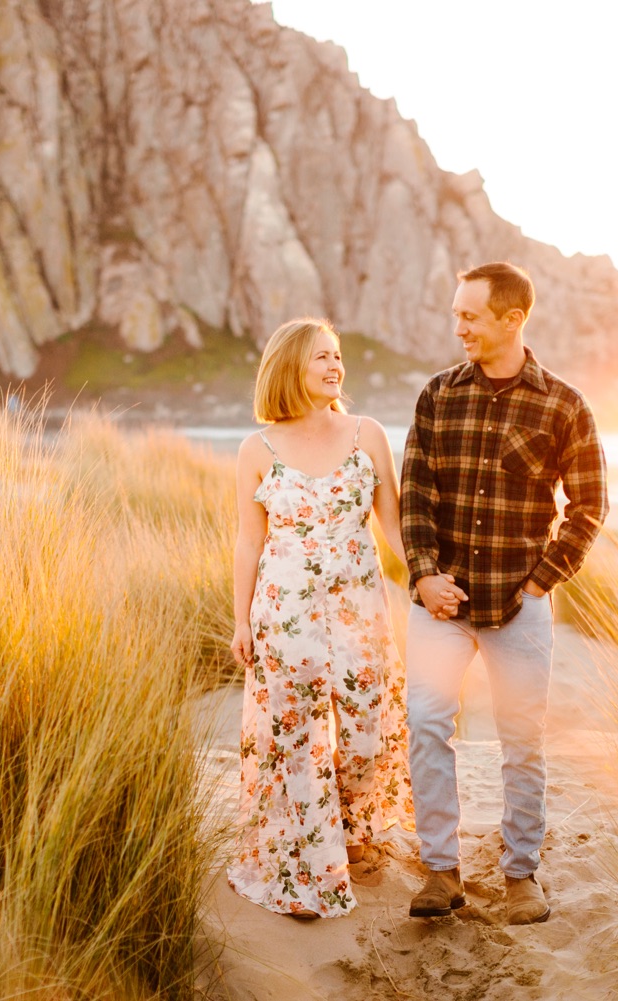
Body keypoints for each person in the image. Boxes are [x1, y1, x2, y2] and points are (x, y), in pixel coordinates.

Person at [400, 262, 608, 925]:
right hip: (443, 603)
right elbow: (415, 493)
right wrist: (425, 572)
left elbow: (589, 506)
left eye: (469, 315)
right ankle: (440, 870)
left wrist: (543, 579)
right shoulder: (437, 395)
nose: (457, 325)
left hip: (520, 602)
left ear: (511, 320)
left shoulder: (564, 404)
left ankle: (521, 875)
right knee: (428, 723)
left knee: (522, 740)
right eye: (456, 313)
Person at [227, 317, 446, 919]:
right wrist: (241, 621)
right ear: (290, 368)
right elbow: (249, 542)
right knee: (295, 734)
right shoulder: (257, 449)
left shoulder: (366, 434)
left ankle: (356, 829)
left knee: (365, 726)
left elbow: (393, 523)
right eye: (321, 357)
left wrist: (425, 577)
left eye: (338, 356)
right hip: (285, 612)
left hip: (360, 610)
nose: (334, 366)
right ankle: (306, 862)